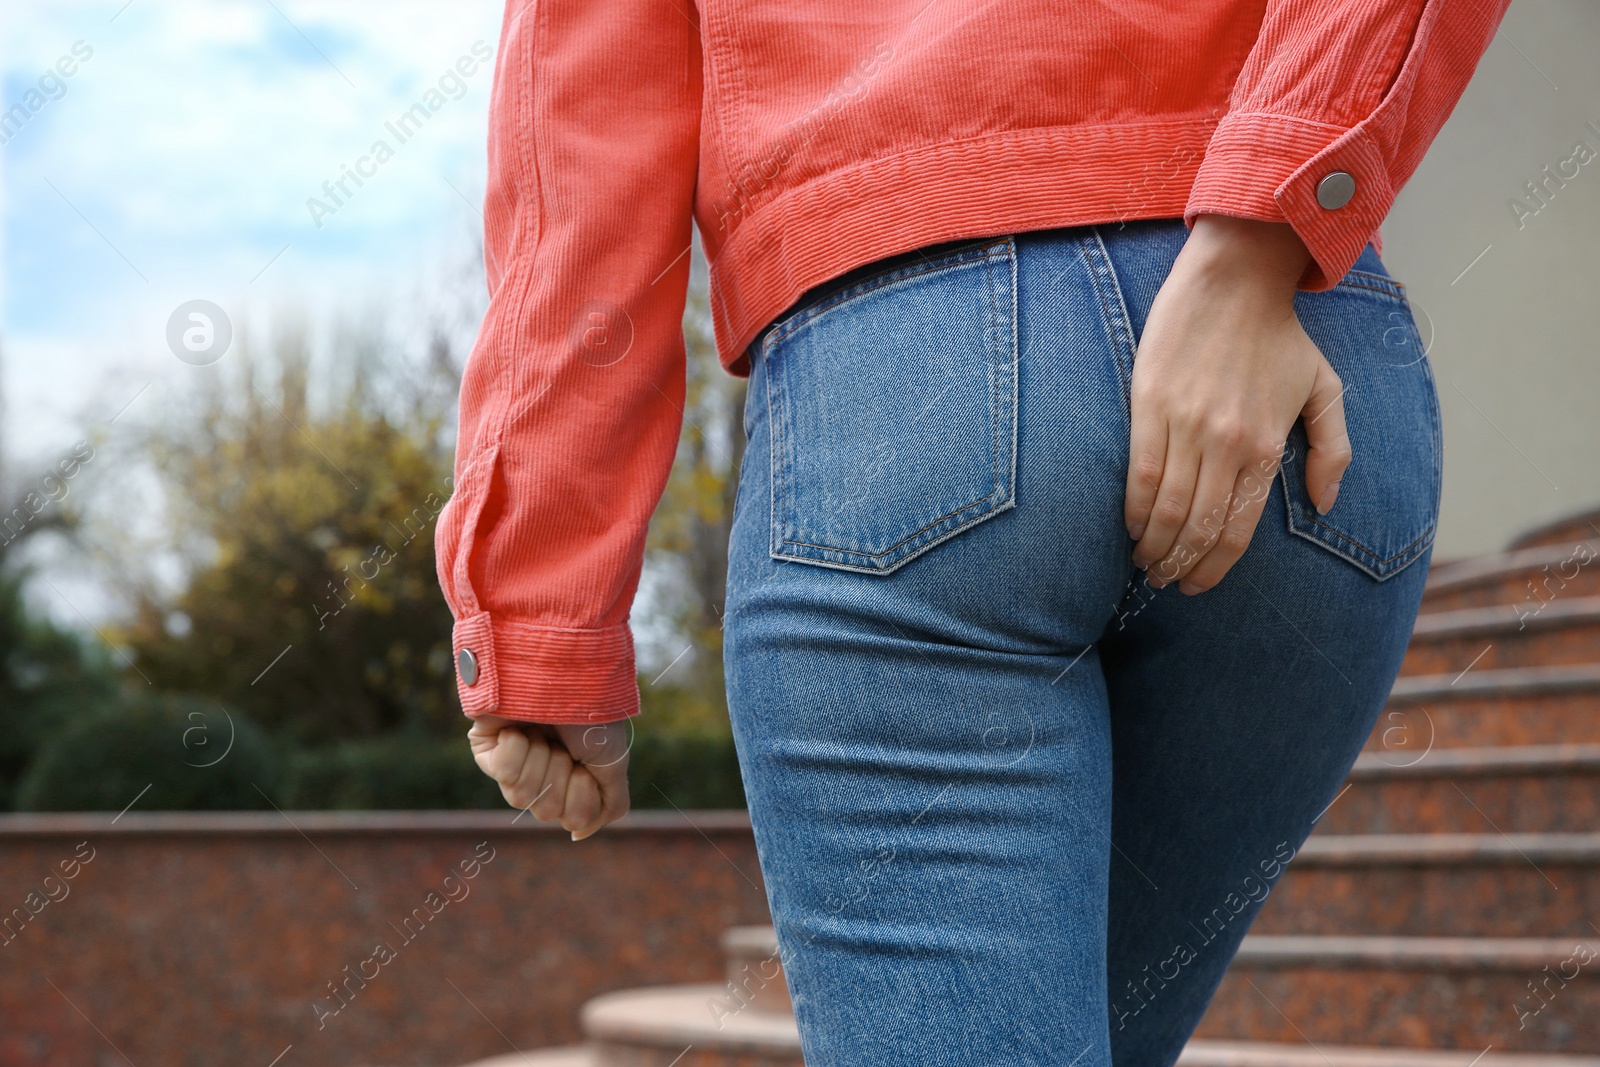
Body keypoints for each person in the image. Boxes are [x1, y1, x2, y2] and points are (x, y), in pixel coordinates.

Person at [440, 0, 1511, 1061]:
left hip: (907, 390)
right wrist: (1259, 236)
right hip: (1296, 391)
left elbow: (583, 147)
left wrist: (539, 605)